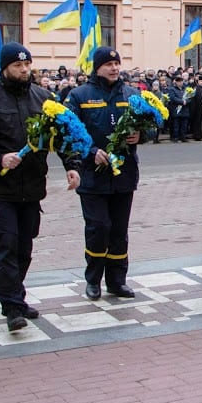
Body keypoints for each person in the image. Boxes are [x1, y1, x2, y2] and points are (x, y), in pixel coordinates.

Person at [0, 42, 81, 332]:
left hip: (32, 187)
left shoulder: (43, 98)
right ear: (4, 68)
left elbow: (61, 135)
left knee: (24, 248)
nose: (24, 70)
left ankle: (16, 295)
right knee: (6, 245)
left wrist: (72, 165)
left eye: (27, 65)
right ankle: (11, 305)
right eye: (17, 65)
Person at [64, 47, 140, 300]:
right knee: (98, 227)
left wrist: (141, 135)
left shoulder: (131, 95)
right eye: (108, 64)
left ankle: (117, 281)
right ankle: (93, 279)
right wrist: (91, 151)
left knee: (119, 230)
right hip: (92, 176)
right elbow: (70, 133)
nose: (114, 68)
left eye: (117, 63)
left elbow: (149, 125)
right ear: (97, 67)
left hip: (123, 175)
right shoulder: (79, 95)